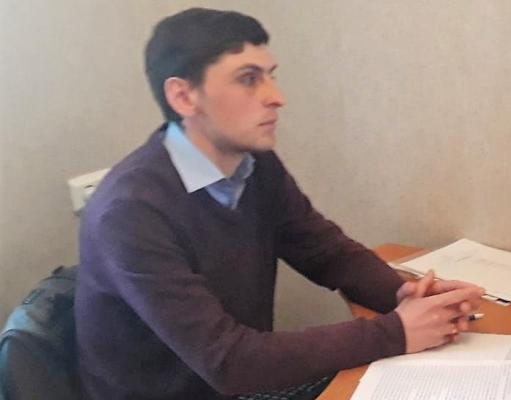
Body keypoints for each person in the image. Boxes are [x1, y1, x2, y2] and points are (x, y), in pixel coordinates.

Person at [74, 7, 484, 400]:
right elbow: (228, 361)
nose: (276, 97)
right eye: (248, 79)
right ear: (183, 96)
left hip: (237, 383)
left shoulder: (254, 164)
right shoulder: (129, 212)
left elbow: (326, 253)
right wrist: (396, 332)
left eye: (271, 76)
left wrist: (404, 294)